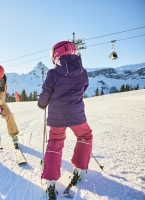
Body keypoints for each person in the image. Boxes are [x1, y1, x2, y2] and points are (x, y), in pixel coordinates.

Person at [37, 41, 93, 199]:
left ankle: (50, 180)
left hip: (57, 115)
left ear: (55, 55)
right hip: (76, 114)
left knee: (55, 142)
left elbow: (46, 92)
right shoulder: (83, 72)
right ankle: (80, 168)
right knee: (85, 136)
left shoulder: (53, 73)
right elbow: (83, 89)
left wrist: (42, 104)